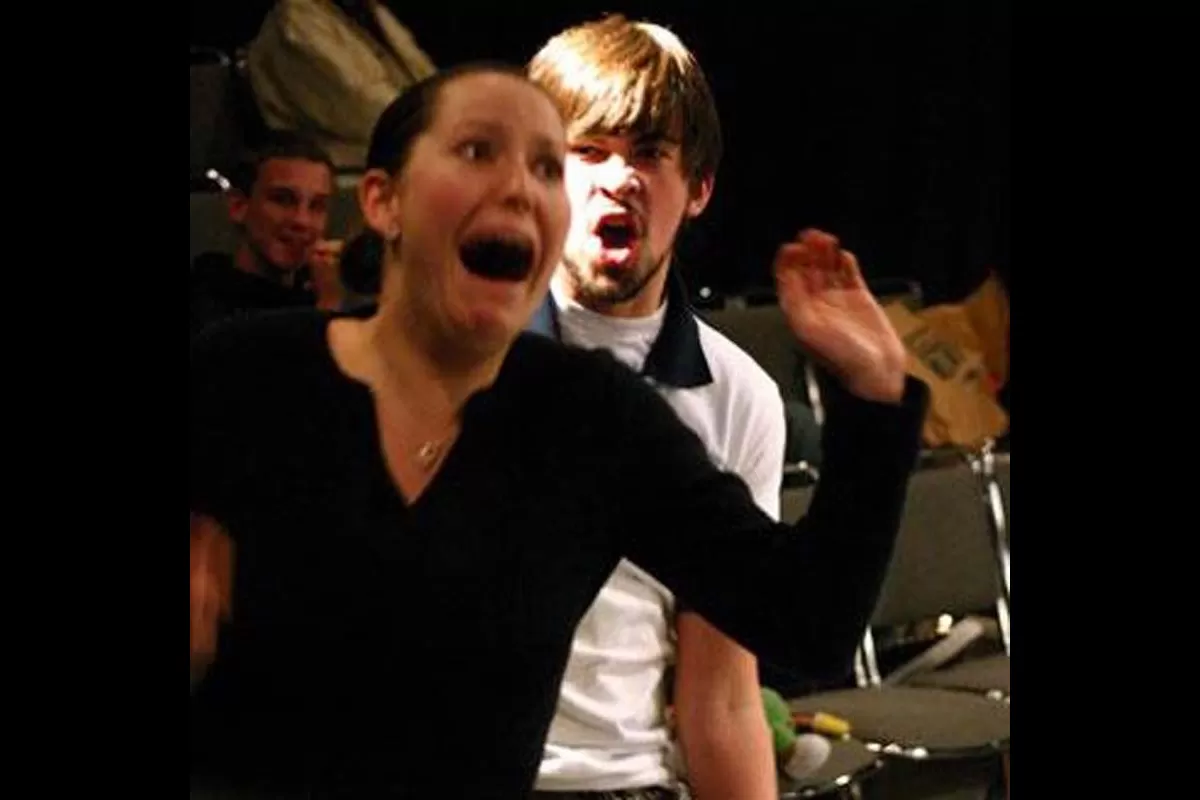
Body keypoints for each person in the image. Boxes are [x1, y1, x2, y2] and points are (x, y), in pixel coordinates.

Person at [190, 62, 927, 798]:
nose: (519, 187)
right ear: (384, 200)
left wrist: (874, 394)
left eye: (545, 167)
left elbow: (808, 621)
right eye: (478, 150)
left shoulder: (591, 418)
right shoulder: (247, 372)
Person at [525, 16, 788, 798]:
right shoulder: (467, 350)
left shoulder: (736, 394)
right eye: (589, 150)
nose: (620, 177)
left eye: (648, 153)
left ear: (698, 187)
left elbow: (723, 697)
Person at [246, 0, 437, 168]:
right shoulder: (295, 21)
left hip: (391, 155)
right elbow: (369, 113)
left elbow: (430, 83)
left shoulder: (369, 12)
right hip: (335, 173)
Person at [190, 132, 336, 336]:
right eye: (282, 199)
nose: (302, 220)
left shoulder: (320, 289)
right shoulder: (203, 305)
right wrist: (329, 309)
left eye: (317, 205)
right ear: (239, 206)